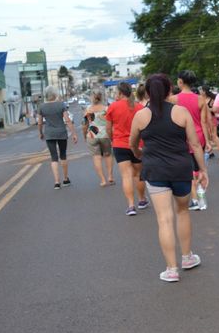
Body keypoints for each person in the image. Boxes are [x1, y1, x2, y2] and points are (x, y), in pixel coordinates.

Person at [130, 74, 208, 283]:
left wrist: (139, 155)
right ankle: (187, 257)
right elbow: (195, 144)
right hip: (181, 169)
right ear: (169, 90)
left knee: (164, 219)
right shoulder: (181, 112)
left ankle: (171, 269)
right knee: (182, 211)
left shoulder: (141, 116)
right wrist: (202, 170)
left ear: (147, 92)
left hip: (155, 171)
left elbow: (132, 144)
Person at [106, 82, 149, 216]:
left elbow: (108, 129)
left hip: (119, 144)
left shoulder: (113, 107)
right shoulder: (139, 107)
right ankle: (142, 200)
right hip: (137, 144)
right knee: (138, 174)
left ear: (120, 93)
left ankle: (131, 206)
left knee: (126, 175)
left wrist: (113, 139)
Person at [175, 70, 211, 211]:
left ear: (180, 81)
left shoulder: (174, 99)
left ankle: (195, 199)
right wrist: (207, 141)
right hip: (198, 136)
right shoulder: (200, 99)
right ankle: (200, 197)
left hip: (182, 137)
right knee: (198, 168)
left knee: (188, 171)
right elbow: (203, 122)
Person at [38, 86, 78, 190]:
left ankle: (56, 182)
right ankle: (65, 179)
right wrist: (74, 133)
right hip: (61, 133)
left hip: (49, 134)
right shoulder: (61, 105)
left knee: (54, 157)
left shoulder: (41, 107)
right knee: (63, 155)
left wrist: (40, 133)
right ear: (55, 94)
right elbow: (67, 120)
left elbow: (40, 122)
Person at [82, 88, 114, 187]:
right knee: (108, 155)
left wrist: (84, 136)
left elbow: (84, 125)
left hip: (92, 135)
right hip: (105, 135)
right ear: (102, 97)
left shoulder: (88, 110)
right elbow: (111, 123)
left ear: (92, 97)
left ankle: (103, 180)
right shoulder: (107, 108)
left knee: (96, 157)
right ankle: (110, 176)